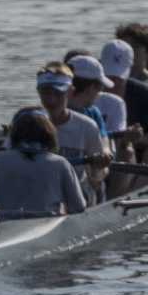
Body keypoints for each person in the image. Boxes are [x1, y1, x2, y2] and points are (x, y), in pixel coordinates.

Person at [101, 31, 148, 195]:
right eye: (108, 76)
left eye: (118, 78)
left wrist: (132, 138)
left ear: (128, 69)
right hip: (98, 157)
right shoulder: (88, 89)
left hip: (133, 158)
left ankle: (123, 200)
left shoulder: (142, 93)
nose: (113, 83)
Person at [0, 108, 85, 221]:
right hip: (47, 225)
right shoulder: (60, 163)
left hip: (7, 226)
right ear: (49, 134)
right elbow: (78, 207)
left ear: (14, 134)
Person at [36, 62, 108, 200]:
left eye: (58, 92)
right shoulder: (26, 124)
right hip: (39, 193)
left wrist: (97, 173)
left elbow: (99, 171)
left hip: (76, 194)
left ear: (70, 91)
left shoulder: (87, 126)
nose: (51, 99)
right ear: (38, 91)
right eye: (46, 92)